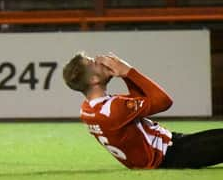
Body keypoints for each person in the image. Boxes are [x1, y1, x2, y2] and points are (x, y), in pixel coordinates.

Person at [62, 52, 223, 169]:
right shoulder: (112, 109)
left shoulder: (88, 109)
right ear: (93, 79)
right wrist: (128, 72)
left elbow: (139, 100)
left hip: (170, 146)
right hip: (170, 155)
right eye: (93, 63)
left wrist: (125, 76)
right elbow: (164, 101)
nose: (100, 60)